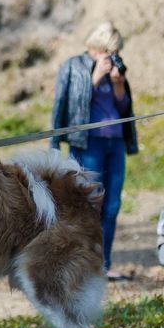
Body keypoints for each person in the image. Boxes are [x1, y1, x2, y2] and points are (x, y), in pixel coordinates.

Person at [51, 22, 138, 282]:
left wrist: (118, 85)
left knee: (111, 206)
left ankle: (104, 264)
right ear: (97, 47)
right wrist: (95, 79)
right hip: (87, 143)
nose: (111, 57)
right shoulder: (73, 65)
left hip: (115, 144)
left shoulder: (115, 69)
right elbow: (66, 103)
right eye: (108, 51)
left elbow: (124, 108)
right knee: (88, 206)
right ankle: (81, 265)